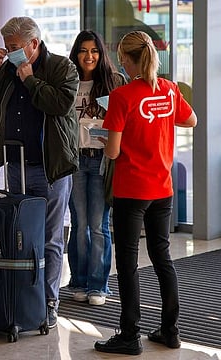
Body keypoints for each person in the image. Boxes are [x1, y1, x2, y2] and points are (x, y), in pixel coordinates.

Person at [94, 30, 197, 355]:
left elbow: (112, 153)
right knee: (161, 256)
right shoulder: (168, 90)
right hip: (162, 189)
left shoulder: (122, 97)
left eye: (121, 56)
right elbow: (191, 120)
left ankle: (130, 335)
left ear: (127, 59)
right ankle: (170, 330)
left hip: (132, 189)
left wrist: (105, 136)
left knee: (126, 263)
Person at [0, 16, 79, 329]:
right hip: (16, 166)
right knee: (19, 237)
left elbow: (60, 105)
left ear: (33, 44)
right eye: (7, 47)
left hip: (50, 168)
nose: (10, 52)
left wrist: (31, 79)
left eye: (15, 47)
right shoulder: (5, 70)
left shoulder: (62, 67)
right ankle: (21, 301)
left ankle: (48, 303)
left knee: (49, 239)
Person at [67, 30, 126, 306]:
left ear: (101, 54)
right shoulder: (68, 82)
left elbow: (125, 123)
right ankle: (78, 281)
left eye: (94, 51)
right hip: (75, 159)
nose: (88, 56)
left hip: (102, 159)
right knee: (79, 224)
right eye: (83, 50)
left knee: (98, 225)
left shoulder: (114, 83)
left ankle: (98, 285)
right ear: (76, 53)